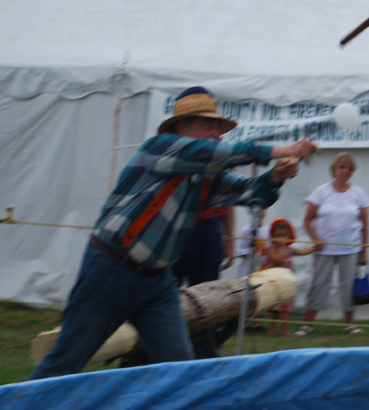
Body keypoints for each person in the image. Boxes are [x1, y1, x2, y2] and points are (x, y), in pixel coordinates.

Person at [30, 86, 318, 379]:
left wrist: (275, 177)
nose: (216, 132)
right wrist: (284, 150)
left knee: (181, 370)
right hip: (110, 271)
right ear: (182, 127)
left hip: (157, 284)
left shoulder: (206, 175)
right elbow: (218, 152)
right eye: (208, 124)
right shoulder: (160, 147)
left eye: (217, 126)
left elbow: (248, 192)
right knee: (64, 363)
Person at [296, 152, 369, 336]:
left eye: (349, 168)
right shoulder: (321, 192)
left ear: (352, 172)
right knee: (318, 284)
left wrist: (363, 252)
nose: (345, 171)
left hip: (351, 248)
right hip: (324, 249)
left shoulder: (359, 193)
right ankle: (307, 325)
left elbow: (365, 225)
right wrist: (316, 239)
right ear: (334, 169)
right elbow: (307, 220)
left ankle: (350, 325)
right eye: (341, 167)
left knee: (348, 287)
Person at [262, 218, 315, 336]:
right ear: (272, 236)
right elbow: (277, 259)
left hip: (285, 285)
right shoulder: (271, 249)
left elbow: (303, 251)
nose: (281, 238)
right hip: (274, 284)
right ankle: (272, 331)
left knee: (284, 309)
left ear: (288, 235)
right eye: (278, 236)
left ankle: (285, 330)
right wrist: (282, 248)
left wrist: (314, 248)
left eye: (284, 235)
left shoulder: (289, 249)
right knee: (273, 309)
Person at [172, 205, 235, 287]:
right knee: (166, 287)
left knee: (205, 289)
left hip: (208, 224)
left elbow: (230, 198)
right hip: (176, 221)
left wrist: (230, 239)